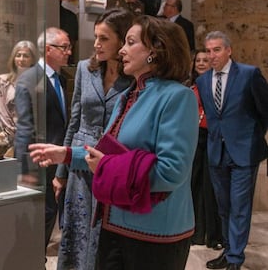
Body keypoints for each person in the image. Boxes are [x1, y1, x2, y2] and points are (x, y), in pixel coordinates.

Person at [29, 15, 199, 270]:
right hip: (114, 223)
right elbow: (104, 155)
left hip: (155, 232)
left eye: (130, 42)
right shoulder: (130, 95)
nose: (122, 50)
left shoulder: (178, 97)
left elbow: (172, 171)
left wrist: (107, 167)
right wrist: (64, 154)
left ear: (155, 50)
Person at [54, 8, 135, 270]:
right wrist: (61, 171)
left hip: (111, 162)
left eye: (104, 38)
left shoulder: (133, 77)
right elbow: (74, 120)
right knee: (76, 230)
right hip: (79, 162)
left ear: (122, 40)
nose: (97, 44)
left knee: (103, 233)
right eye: (96, 37)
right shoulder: (83, 69)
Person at [196, 31, 268, 270]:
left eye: (217, 50)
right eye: (208, 50)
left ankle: (236, 258)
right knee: (223, 206)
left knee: (239, 206)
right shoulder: (203, 81)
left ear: (229, 51)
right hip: (216, 151)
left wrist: (251, 136)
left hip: (244, 151)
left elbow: (264, 111)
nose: (211, 55)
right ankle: (228, 251)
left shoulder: (249, 75)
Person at [14, 27, 70, 255]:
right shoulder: (28, 80)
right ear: (48, 49)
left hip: (61, 160)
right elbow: (24, 127)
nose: (69, 52)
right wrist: (25, 168)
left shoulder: (63, 79)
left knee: (53, 213)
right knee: (43, 215)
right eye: (64, 47)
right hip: (41, 162)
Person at [188, 49, 223, 250]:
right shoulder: (189, 86)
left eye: (205, 60)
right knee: (193, 184)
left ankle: (214, 235)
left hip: (213, 137)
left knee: (210, 188)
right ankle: (195, 233)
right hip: (193, 137)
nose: (200, 63)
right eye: (198, 60)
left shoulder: (218, 85)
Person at [0, 40, 38, 156]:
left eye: (26, 56)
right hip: (10, 136)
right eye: (18, 55)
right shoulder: (2, 81)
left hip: (33, 137)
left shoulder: (39, 82)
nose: (21, 59)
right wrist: (14, 134)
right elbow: (2, 111)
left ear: (33, 59)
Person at [59, 0, 78, 65]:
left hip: (72, 10)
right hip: (63, 9)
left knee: (73, 35)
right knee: (64, 33)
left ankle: (71, 60)